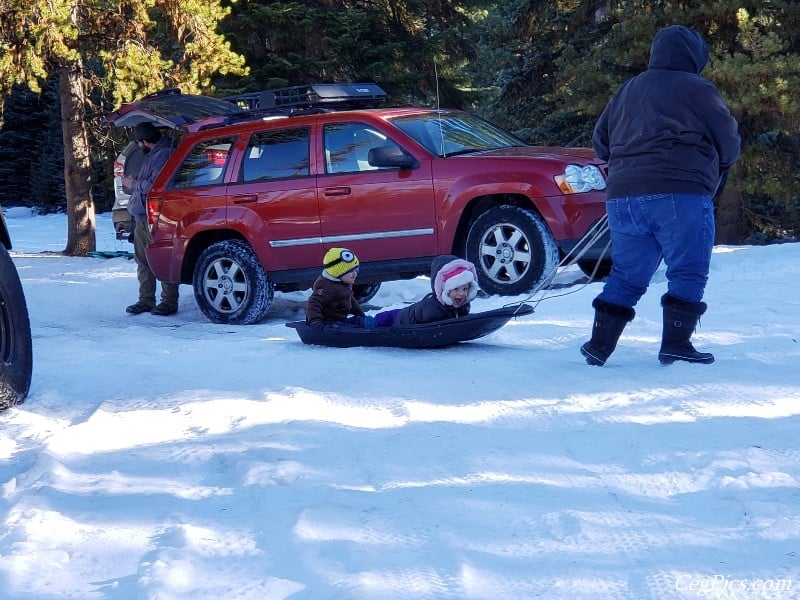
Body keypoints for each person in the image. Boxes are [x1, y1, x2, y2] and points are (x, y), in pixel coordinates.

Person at [581, 24, 740, 367]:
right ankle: (676, 345)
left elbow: (600, 142)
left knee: (626, 274)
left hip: (623, 196)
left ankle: (598, 346)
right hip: (679, 191)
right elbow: (728, 137)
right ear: (695, 56)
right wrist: (719, 163)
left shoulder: (628, 89)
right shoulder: (697, 87)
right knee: (688, 269)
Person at [122, 122, 180, 316]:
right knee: (143, 260)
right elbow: (151, 177)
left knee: (161, 257)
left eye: (139, 143)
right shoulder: (155, 154)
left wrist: (133, 183)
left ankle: (169, 301)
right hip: (142, 216)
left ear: (144, 141)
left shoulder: (163, 154)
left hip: (154, 217)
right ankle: (146, 299)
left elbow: (155, 186)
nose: (139, 147)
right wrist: (138, 177)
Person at [372, 255, 479, 327]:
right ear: (444, 290)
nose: (462, 293)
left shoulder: (463, 306)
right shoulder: (433, 308)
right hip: (400, 318)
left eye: (465, 289)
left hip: (408, 312)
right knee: (377, 321)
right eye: (456, 288)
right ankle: (359, 322)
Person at [306, 247, 368, 328]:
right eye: (350, 271)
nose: (355, 274)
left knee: (358, 321)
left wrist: (361, 315)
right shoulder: (327, 287)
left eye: (356, 270)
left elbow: (350, 301)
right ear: (337, 273)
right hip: (326, 323)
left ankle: (369, 323)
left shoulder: (343, 284)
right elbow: (313, 304)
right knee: (348, 327)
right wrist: (315, 321)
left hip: (340, 320)